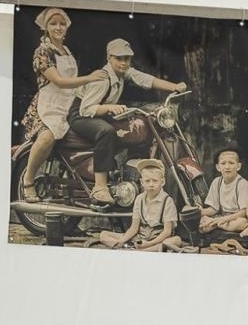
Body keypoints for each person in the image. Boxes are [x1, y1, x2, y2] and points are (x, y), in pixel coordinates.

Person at [68, 38, 187, 208]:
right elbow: (85, 109)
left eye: (127, 58)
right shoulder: (102, 78)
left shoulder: (123, 72)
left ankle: (129, 176)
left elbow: (146, 79)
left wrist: (174, 87)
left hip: (100, 113)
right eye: (119, 58)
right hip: (81, 115)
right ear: (109, 58)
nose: (123, 62)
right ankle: (100, 187)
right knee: (106, 131)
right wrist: (110, 107)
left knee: (137, 127)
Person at [18, 7, 107, 202]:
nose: (58, 27)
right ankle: (28, 179)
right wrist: (89, 78)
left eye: (62, 23)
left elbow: (73, 83)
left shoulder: (66, 51)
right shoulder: (43, 52)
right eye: (53, 23)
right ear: (46, 27)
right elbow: (58, 81)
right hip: (48, 105)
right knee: (47, 138)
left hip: (69, 104)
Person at [101, 159, 184, 252]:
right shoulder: (139, 199)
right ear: (142, 182)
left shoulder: (167, 201)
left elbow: (167, 232)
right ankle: (125, 246)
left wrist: (148, 244)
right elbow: (134, 228)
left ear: (162, 182)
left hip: (158, 239)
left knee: (176, 240)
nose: (151, 184)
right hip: (140, 238)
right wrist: (122, 240)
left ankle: (143, 250)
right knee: (103, 235)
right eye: (147, 181)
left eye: (155, 181)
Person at [199, 148, 248, 236]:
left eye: (231, 163)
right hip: (221, 216)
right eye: (223, 163)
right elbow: (214, 209)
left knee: (242, 223)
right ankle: (217, 224)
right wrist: (198, 212)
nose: (227, 167)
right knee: (202, 222)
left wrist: (222, 220)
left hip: (236, 217)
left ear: (238, 166)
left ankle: (216, 224)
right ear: (218, 167)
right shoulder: (217, 182)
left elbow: (244, 212)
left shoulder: (242, 184)